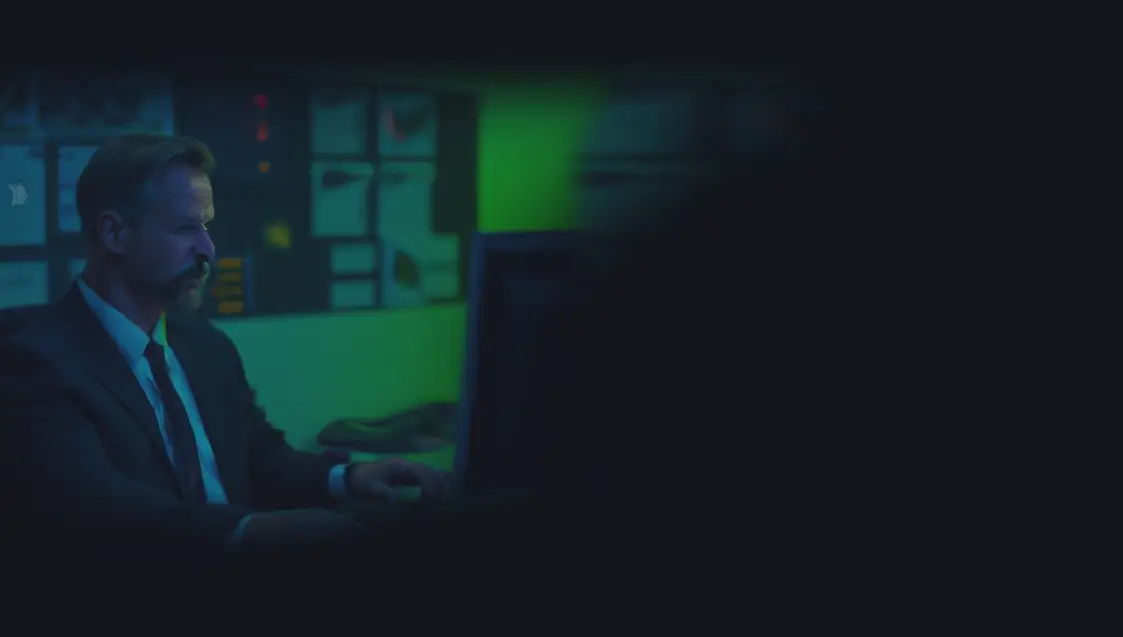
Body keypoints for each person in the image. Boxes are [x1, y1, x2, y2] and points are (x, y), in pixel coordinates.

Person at [0, 133, 454, 553]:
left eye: (206, 227)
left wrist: (350, 477)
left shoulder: (204, 344)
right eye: (185, 228)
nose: (207, 250)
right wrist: (248, 532)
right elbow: (99, 507)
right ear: (114, 233)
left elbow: (261, 458)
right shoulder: (35, 362)